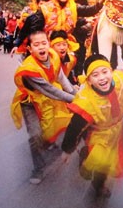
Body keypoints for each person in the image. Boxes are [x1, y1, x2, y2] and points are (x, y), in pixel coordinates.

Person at [10, 31, 77, 184]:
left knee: (50, 130)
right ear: (29, 49)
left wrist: (75, 93)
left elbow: (61, 77)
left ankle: (47, 146)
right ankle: (38, 169)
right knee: (35, 135)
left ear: (48, 44)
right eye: (36, 44)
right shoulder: (29, 68)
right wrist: (75, 99)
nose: (41, 47)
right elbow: (50, 90)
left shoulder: (53, 57)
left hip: (48, 99)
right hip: (31, 102)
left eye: (44, 43)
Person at [60, 54, 123, 197]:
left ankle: (99, 185)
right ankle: (85, 156)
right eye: (95, 75)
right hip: (98, 133)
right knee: (98, 160)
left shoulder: (119, 79)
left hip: (116, 129)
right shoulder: (87, 102)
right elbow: (74, 127)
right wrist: (67, 150)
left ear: (111, 72)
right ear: (89, 81)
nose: (102, 78)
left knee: (106, 163)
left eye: (105, 72)